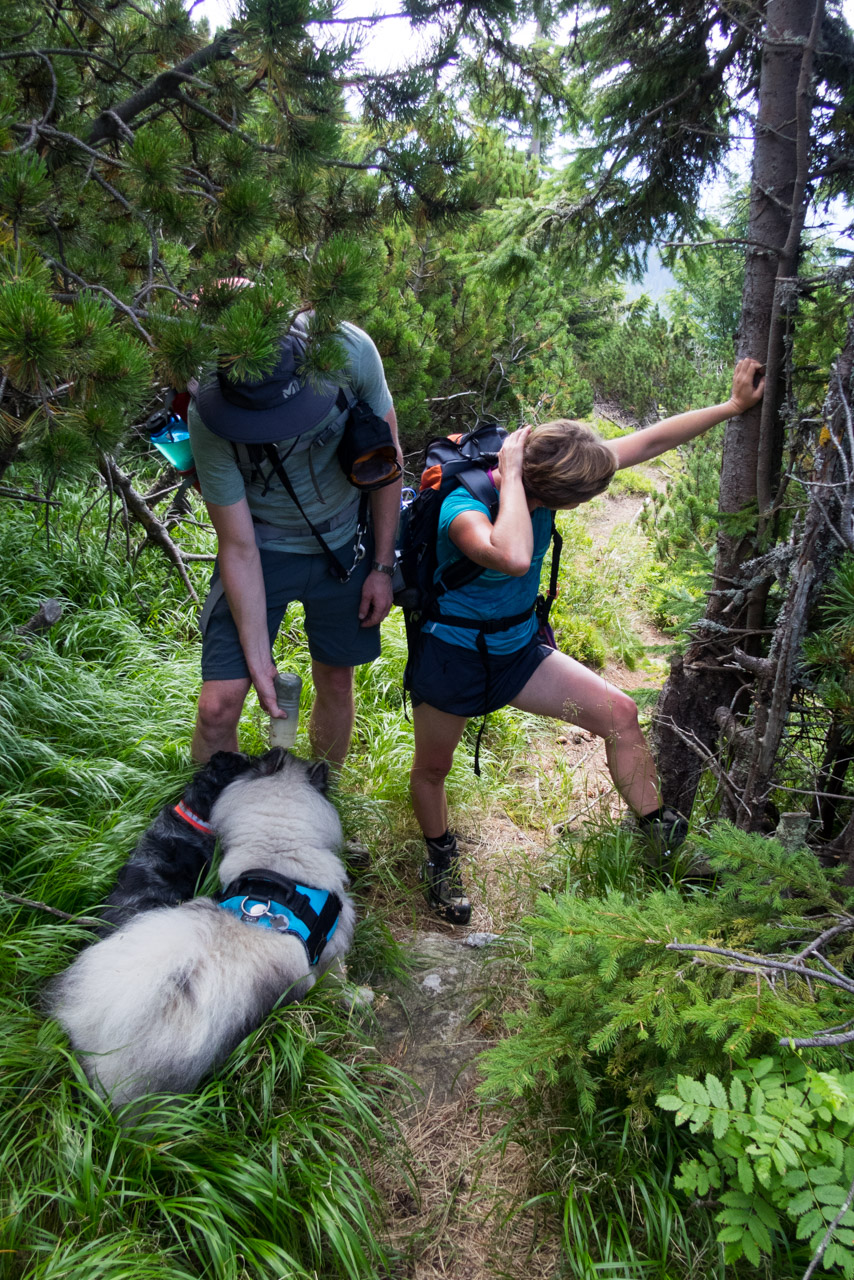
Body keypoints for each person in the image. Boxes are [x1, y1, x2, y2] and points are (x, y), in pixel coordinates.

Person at [409, 358, 766, 924]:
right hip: (453, 658)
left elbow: (646, 444)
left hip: (518, 651)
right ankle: (440, 859)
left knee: (621, 714)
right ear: (555, 492)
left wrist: (733, 407)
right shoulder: (464, 509)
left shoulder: (546, 478)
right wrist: (514, 482)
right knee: (432, 770)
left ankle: (664, 841)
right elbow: (513, 555)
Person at [188, 315, 401, 767]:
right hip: (262, 548)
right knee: (217, 707)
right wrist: (258, 658)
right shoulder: (207, 411)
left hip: (347, 544)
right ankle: (211, 827)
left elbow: (387, 460)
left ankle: (321, 799)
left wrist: (382, 568)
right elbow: (238, 545)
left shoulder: (347, 349)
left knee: (337, 679)